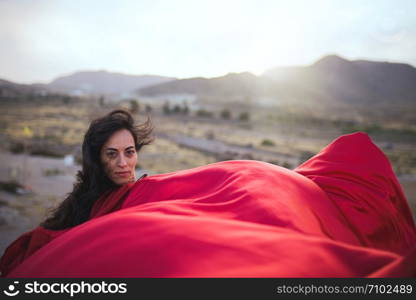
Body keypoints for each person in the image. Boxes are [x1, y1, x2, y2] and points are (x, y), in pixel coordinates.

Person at [1, 113, 415, 277]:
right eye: (112, 155)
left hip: (252, 181)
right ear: (96, 159)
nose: (124, 163)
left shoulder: (142, 185)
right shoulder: (88, 205)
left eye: (130, 152)